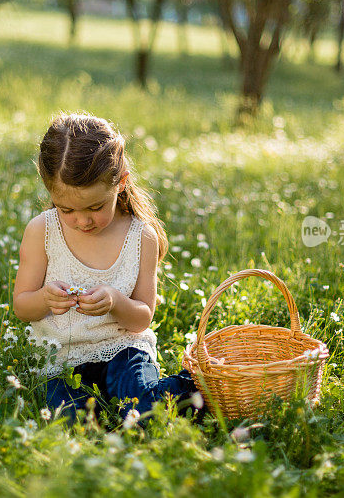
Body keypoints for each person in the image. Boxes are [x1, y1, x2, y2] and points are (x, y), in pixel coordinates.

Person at [12, 113, 203, 426]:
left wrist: (115, 300)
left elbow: (143, 316)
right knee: (70, 422)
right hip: (62, 359)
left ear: (121, 182)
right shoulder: (42, 231)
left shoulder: (140, 236)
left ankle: (193, 387)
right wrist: (45, 299)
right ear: (51, 194)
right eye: (67, 209)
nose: (82, 220)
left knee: (142, 412)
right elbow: (22, 306)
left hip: (124, 351)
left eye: (95, 207)